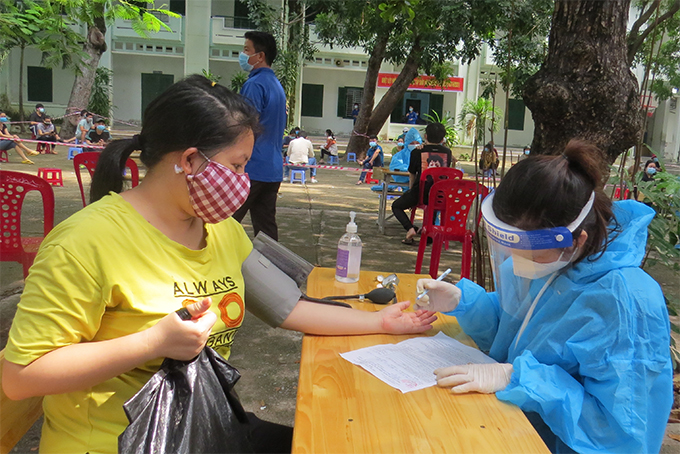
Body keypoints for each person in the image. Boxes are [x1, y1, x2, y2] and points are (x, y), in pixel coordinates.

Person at [2, 75, 437, 454]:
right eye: (236, 165)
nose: (244, 181)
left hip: (200, 425)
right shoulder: (85, 243)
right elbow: (21, 377)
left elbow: (288, 308)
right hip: (117, 441)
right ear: (190, 161)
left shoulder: (219, 229)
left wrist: (382, 321)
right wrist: (153, 343)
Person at [415, 140, 672, 453]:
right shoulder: (550, 261)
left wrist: (522, 378)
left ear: (577, 240)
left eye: (529, 252)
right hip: (508, 430)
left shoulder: (626, 303)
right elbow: (516, 327)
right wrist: (464, 303)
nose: (516, 260)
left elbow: (619, 433)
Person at [232, 31, 287, 241]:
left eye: (247, 50)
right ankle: (274, 271)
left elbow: (245, 127)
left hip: (251, 167)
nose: (243, 55)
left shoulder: (254, 85)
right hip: (272, 169)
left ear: (260, 56)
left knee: (223, 223)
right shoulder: (275, 85)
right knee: (266, 232)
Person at [391, 123, 453, 245]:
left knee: (396, 206)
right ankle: (428, 234)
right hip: (439, 195)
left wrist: (410, 192)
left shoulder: (417, 152)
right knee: (433, 207)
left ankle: (410, 228)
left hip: (419, 192)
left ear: (425, 136)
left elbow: (412, 174)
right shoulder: (448, 153)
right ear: (442, 139)